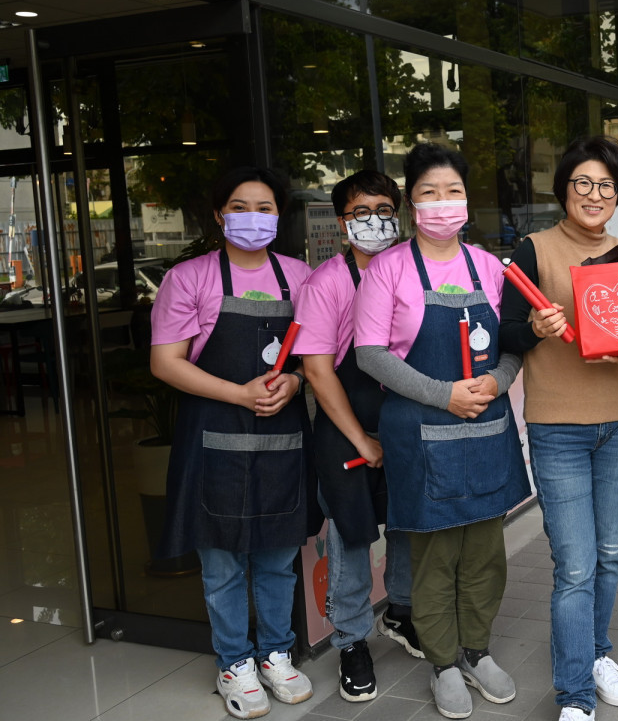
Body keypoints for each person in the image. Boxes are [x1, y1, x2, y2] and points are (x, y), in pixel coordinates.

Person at [353, 143, 531, 719]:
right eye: (428, 193)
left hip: (486, 427)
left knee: (485, 555)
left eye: (452, 192)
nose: (442, 204)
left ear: (466, 199)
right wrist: (442, 393)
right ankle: (443, 662)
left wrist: (499, 383)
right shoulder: (388, 268)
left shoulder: (489, 265)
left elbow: (511, 343)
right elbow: (370, 354)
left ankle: (477, 652)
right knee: (434, 558)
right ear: (411, 203)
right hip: (421, 430)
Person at [150, 166, 316, 720]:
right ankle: (233, 662)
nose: (253, 217)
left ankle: (276, 653)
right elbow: (165, 363)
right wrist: (239, 394)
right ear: (220, 215)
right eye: (240, 207)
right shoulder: (189, 278)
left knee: (277, 555)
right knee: (221, 560)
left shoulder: (301, 276)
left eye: (265, 207)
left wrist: (293, 381)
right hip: (214, 432)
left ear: (279, 215)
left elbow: (315, 357)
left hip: (282, 433)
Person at [499, 136, 618, 721]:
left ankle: (597, 655)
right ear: (563, 190)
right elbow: (506, 333)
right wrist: (535, 325)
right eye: (582, 183)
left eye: (606, 186)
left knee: (608, 554)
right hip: (558, 426)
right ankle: (575, 695)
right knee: (576, 563)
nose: (594, 195)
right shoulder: (532, 250)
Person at [292, 170, 422, 704]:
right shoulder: (328, 282)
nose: (374, 222)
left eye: (384, 210)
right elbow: (319, 371)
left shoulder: (415, 270)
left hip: (408, 427)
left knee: (412, 525)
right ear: (342, 222)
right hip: (348, 432)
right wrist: (363, 440)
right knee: (352, 536)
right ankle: (350, 640)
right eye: (360, 213)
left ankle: (402, 612)